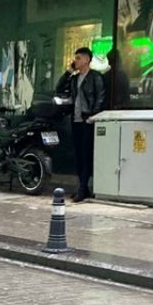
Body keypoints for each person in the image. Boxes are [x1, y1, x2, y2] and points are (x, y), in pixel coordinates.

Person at [56, 47, 106, 202]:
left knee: (86, 154)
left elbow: (100, 98)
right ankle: (83, 187)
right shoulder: (74, 78)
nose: (75, 61)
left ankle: (83, 188)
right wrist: (69, 71)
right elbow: (59, 88)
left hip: (87, 120)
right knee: (78, 155)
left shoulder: (95, 77)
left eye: (78, 58)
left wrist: (93, 116)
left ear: (86, 60)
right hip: (76, 120)